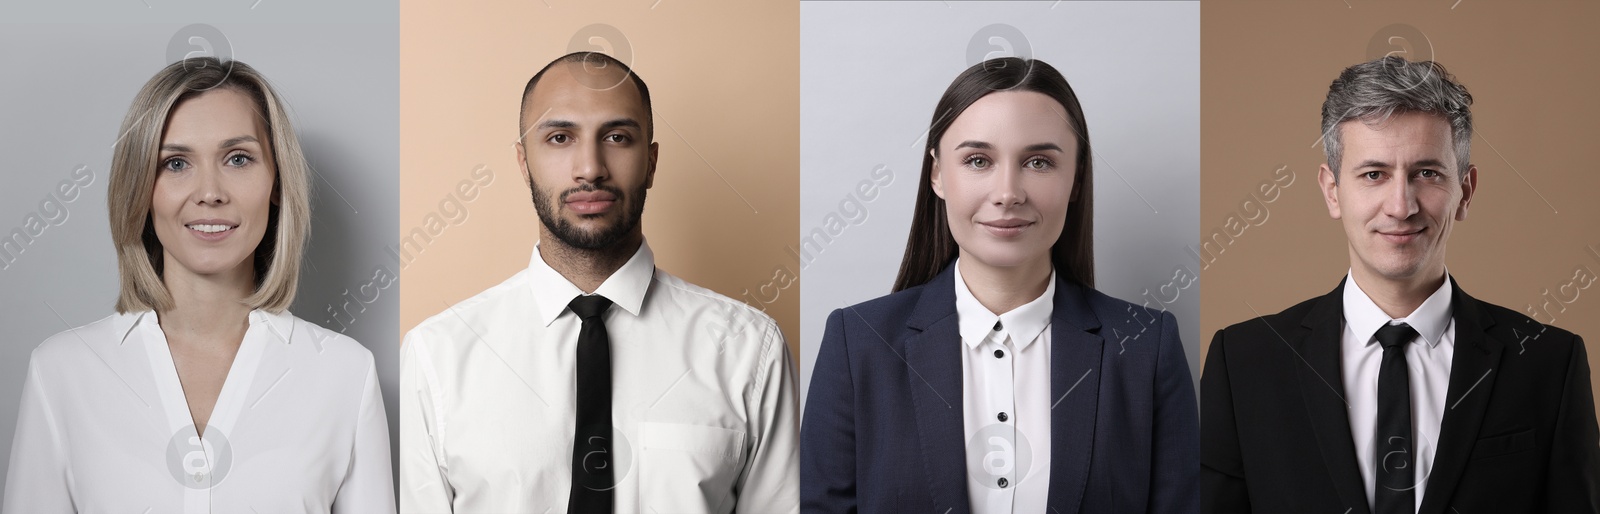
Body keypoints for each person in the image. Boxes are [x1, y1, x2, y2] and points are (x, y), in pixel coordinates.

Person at [398, 51, 799, 513]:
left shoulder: (749, 349)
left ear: (650, 163)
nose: (590, 168)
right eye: (560, 137)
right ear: (523, 162)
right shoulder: (438, 356)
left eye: (616, 136)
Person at [1201, 56, 1600, 513]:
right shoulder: (1245, 363)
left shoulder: (1550, 363)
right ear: (1332, 191)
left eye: (1426, 173)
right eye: (1374, 174)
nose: (1401, 205)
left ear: (1465, 191)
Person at [801, 57, 1199, 514]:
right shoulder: (858, 344)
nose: (1008, 192)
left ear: (1077, 177)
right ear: (936, 174)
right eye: (977, 160)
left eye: (1038, 161)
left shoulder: (1148, 347)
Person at [2, 57, 395, 513]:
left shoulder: (346, 375)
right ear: (141, 188)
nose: (210, 191)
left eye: (238, 158)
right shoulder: (61, 373)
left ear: (276, 181)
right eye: (175, 163)